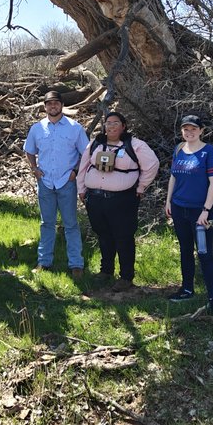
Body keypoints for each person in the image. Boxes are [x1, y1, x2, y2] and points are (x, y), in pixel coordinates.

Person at [77, 111, 160, 292]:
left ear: (123, 126)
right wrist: (81, 189)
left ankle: (126, 276)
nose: (111, 126)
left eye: (116, 123)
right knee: (103, 234)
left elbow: (152, 165)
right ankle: (106, 271)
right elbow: (83, 167)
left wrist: (141, 187)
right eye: (108, 123)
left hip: (122, 200)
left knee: (123, 237)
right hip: (96, 198)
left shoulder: (135, 145)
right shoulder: (96, 144)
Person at [23, 90, 89, 277]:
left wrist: (75, 172)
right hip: (45, 182)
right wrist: (34, 169)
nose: (53, 106)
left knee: (71, 224)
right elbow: (29, 150)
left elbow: (86, 153)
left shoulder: (74, 127)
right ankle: (44, 262)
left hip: (66, 182)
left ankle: (76, 264)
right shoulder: (37, 128)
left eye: (56, 103)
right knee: (46, 223)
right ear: (44, 107)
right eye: (49, 103)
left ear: (61, 105)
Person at [165, 114, 213, 311]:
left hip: (200, 211)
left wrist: (206, 210)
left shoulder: (208, 152)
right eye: (185, 129)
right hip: (180, 208)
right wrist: (168, 201)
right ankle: (187, 289)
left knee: (204, 253)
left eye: (193, 129)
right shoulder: (179, 149)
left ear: (201, 130)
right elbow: (173, 177)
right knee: (185, 250)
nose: (189, 133)